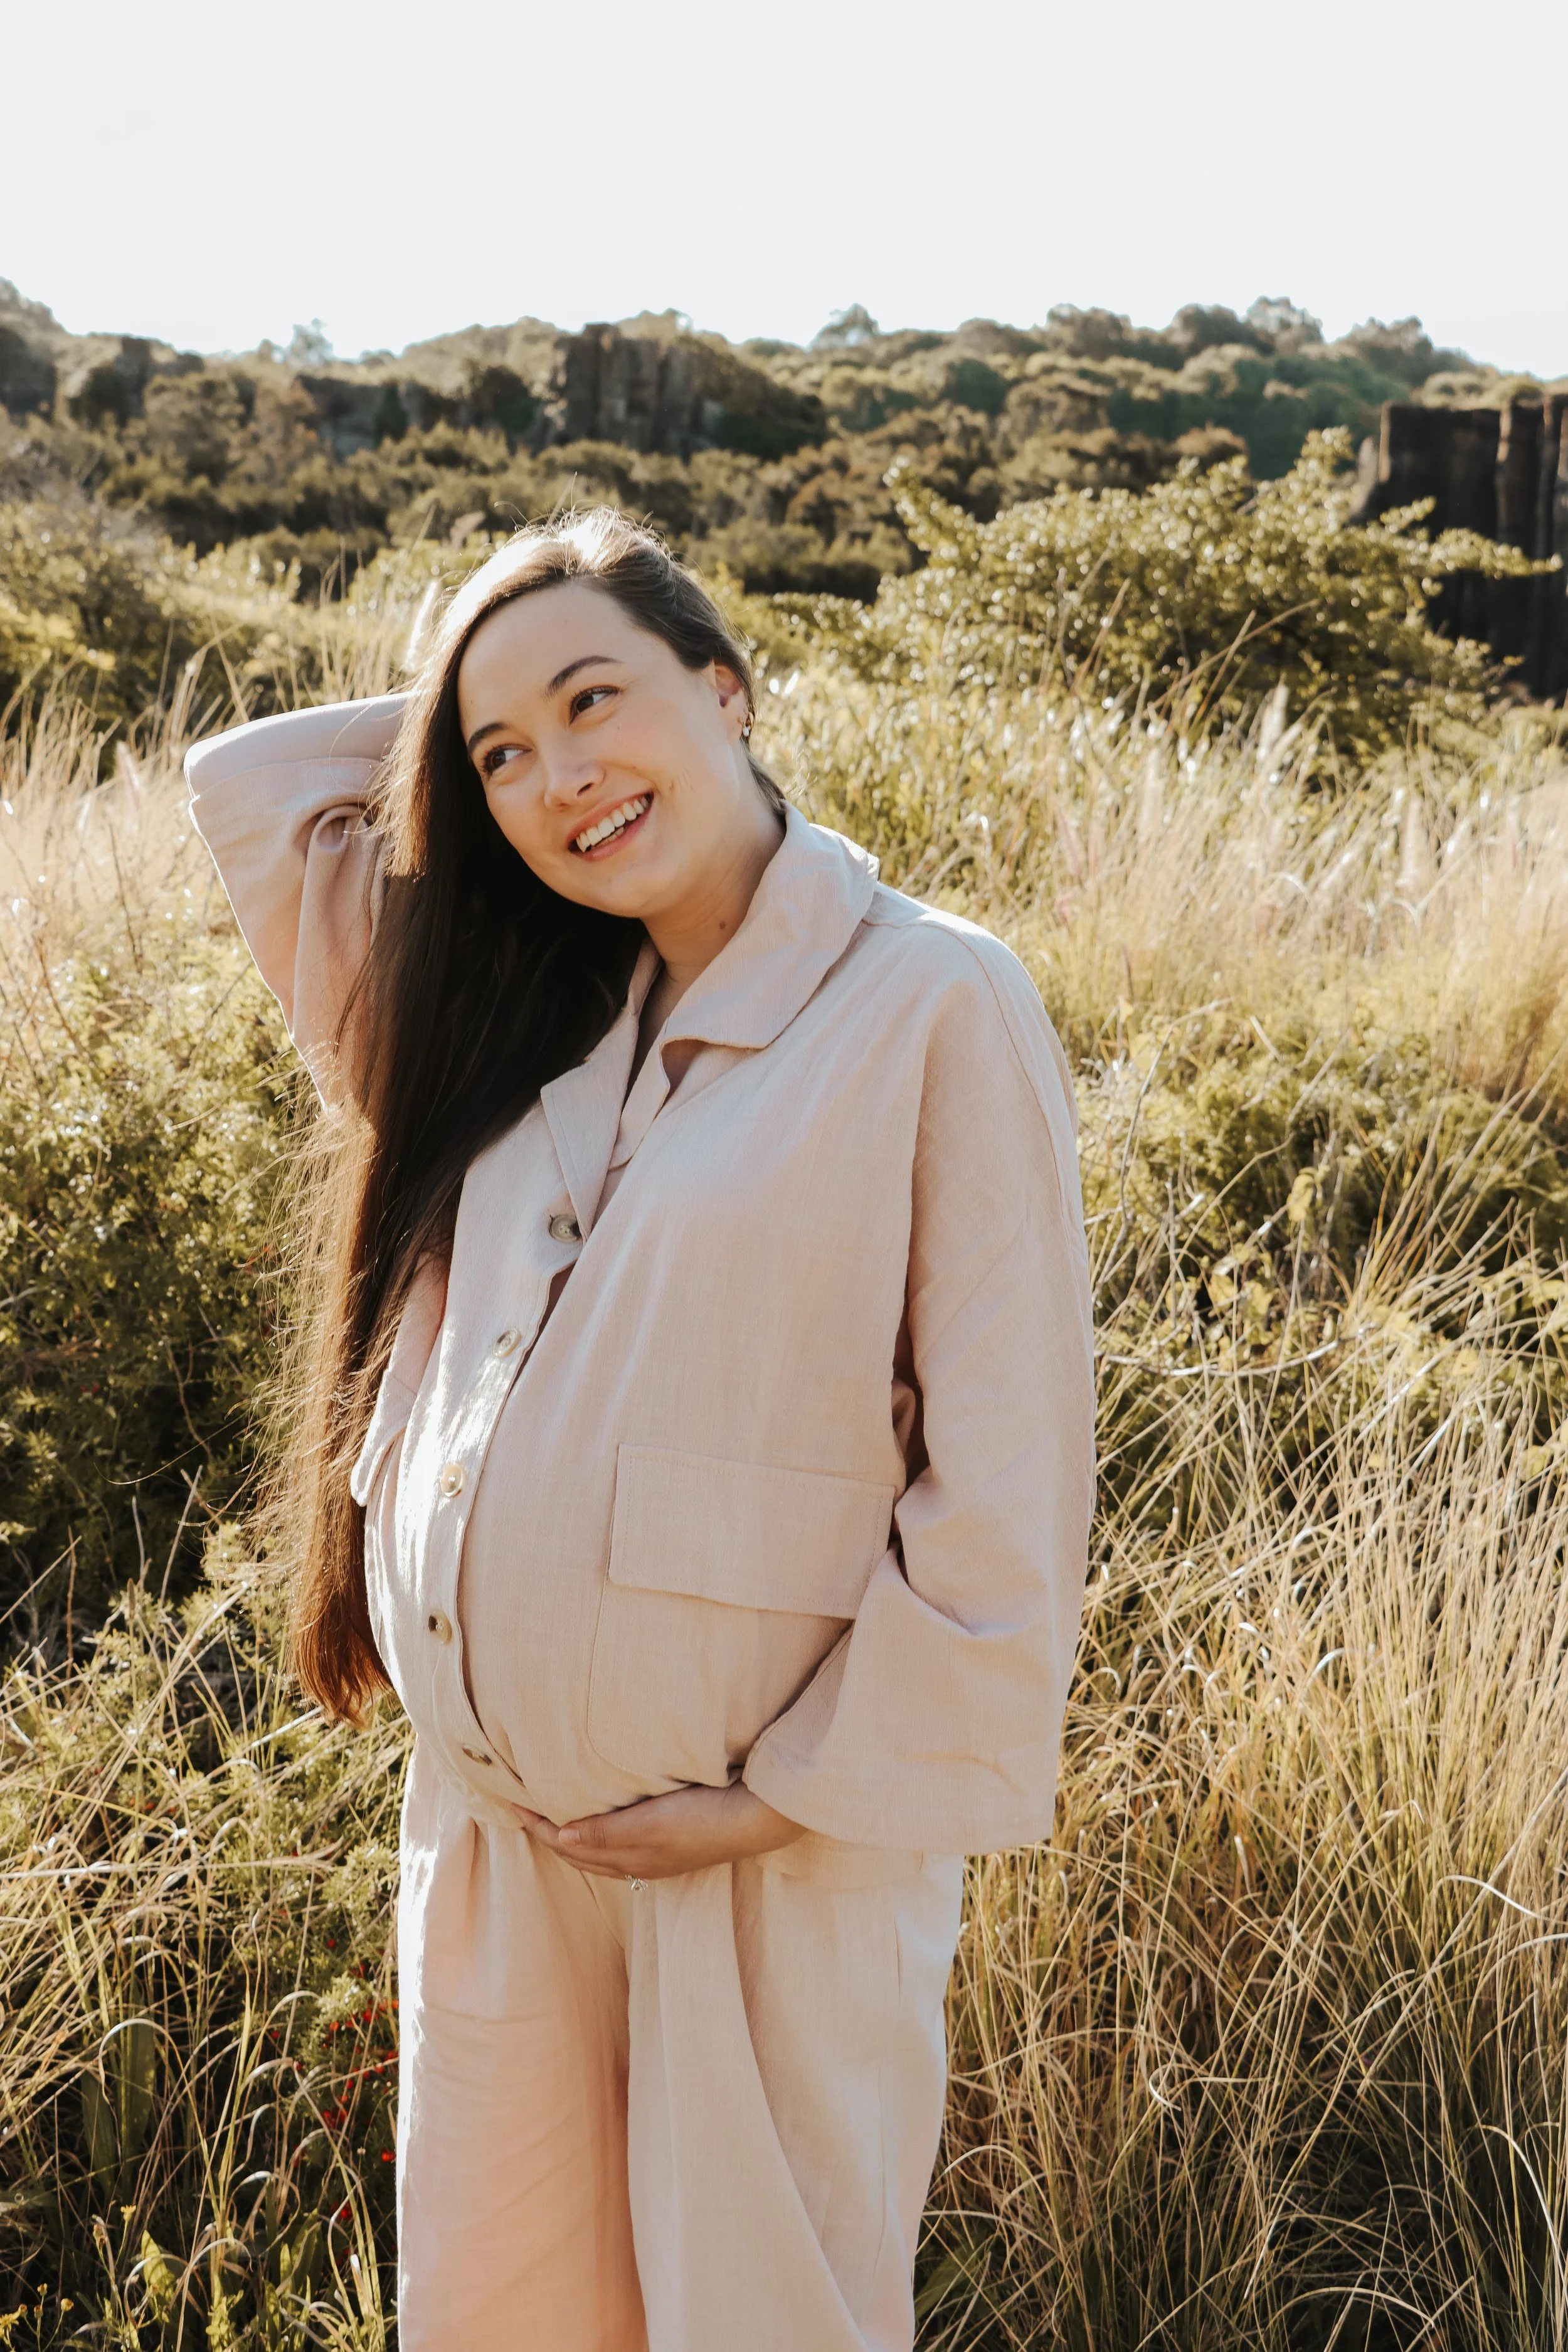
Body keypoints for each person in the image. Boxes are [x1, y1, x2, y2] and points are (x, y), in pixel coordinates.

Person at [186, 510, 1095, 2352]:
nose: (558, 777)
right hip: (499, 1848)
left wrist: (773, 1796)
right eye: (499, 757)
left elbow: (1006, 1476)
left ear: (730, 682)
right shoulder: (509, 1005)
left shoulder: (930, 996)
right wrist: (495, 697)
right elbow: (260, 791)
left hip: (767, 1860)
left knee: (762, 2322)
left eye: (598, 701)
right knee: (500, 2320)